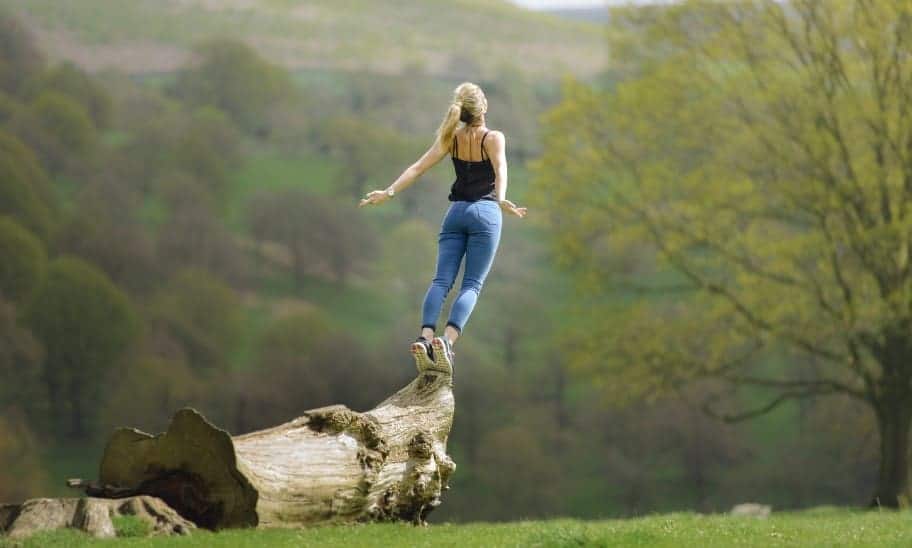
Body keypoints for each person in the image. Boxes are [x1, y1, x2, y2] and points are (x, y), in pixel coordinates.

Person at [358, 82, 527, 375]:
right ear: (483, 107)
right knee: (472, 284)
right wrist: (501, 201)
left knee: (440, 281)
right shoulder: (493, 137)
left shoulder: (452, 138)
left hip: (455, 214)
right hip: (485, 213)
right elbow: (501, 169)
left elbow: (417, 168)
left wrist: (389, 193)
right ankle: (446, 342)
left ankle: (424, 338)